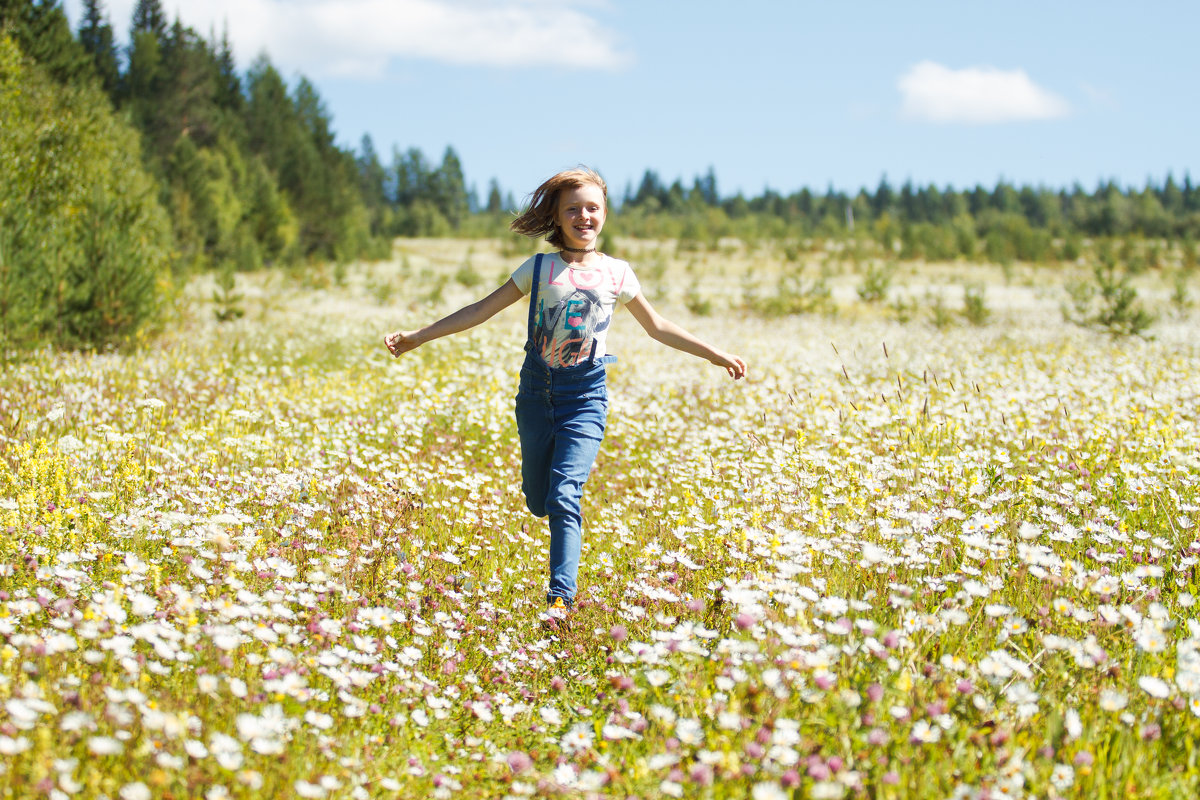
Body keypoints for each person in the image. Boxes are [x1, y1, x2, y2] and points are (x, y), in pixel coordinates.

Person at [384, 166, 746, 619]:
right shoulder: (539, 268)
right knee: (539, 499)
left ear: (605, 214)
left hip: (585, 397)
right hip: (536, 395)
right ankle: (548, 523)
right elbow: (481, 309)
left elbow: (658, 327)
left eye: (592, 208)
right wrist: (420, 336)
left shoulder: (617, 273)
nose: (583, 216)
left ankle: (560, 598)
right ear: (557, 217)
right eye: (572, 209)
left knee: (564, 494)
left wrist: (714, 353)